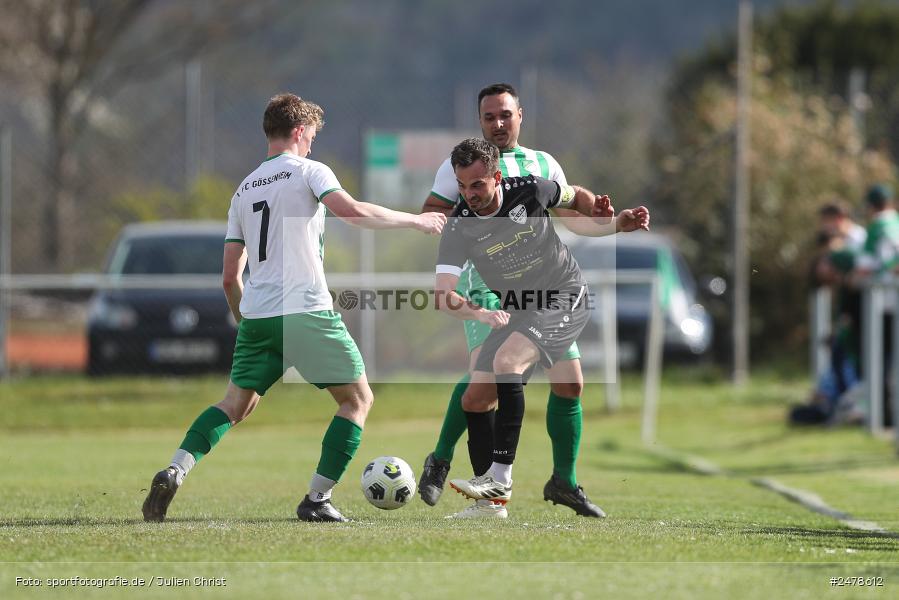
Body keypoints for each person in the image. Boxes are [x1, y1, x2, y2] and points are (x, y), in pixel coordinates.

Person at [142, 93, 445, 523]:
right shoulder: (309, 171)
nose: (312, 145)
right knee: (357, 400)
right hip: (305, 311)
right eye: (312, 137)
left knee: (234, 405)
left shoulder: (243, 189)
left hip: (258, 314)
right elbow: (352, 213)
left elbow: (229, 276)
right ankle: (317, 499)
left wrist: (247, 322)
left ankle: (175, 468)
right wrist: (416, 220)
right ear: (300, 131)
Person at [419, 83, 616, 519]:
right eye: (489, 117)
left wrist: (608, 221)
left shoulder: (542, 166)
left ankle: (562, 481)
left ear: (519, 115)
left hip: (546, 289)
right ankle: (448, 463)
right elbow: (434, 215)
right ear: (479, 121)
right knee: (484, 384)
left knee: (569, 384)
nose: (497, 123)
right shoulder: (459, 164)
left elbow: (572, 217)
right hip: (484, 286)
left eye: (504, 115)